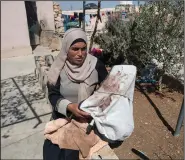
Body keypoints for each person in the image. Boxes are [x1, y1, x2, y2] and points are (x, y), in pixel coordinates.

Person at [43, 28, 108, 160]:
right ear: (67, 48)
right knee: (52, 153)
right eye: (75, 49)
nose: (80, 53)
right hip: (62, 118)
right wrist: (69, 107)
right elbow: (53, 95)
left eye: (83, 49)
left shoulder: (96, 65)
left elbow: (109, 91)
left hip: (87, 121)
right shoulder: (59, 66)